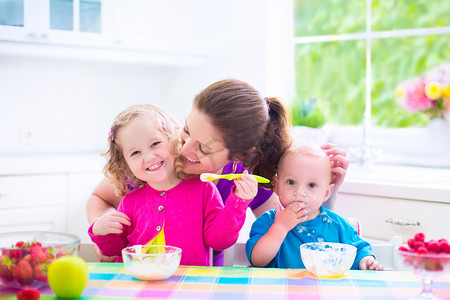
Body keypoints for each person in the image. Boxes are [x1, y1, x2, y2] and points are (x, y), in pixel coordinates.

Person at [86, 78, 350, 265]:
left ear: (238, 157)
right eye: (187, 130)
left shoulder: (240, 178)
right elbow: (100, 199)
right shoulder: (152, 160)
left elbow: (294, 232)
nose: (185, 148)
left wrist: (330, 194)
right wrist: (108, 232)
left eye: (204, 148)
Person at [88, 104, 258, 266]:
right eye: (135, 152)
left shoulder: (203, 190)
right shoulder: (129, 202)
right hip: (137, 284)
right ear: (125, 163)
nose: (148, 157)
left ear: (174, 141)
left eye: (155, 144)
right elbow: (113, 251)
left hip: (187, 285)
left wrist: (238, 203)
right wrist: (99, 231)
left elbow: (220, 241)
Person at [246, 142, 383, 271]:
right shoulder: (268, 222)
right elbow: (257, 261)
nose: (300, 192)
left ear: (327, 192)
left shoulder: (337, 224)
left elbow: (359, 249)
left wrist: (366, 260)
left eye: (311, 185)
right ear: (276, 185)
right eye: (291, 182)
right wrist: (280, 228)